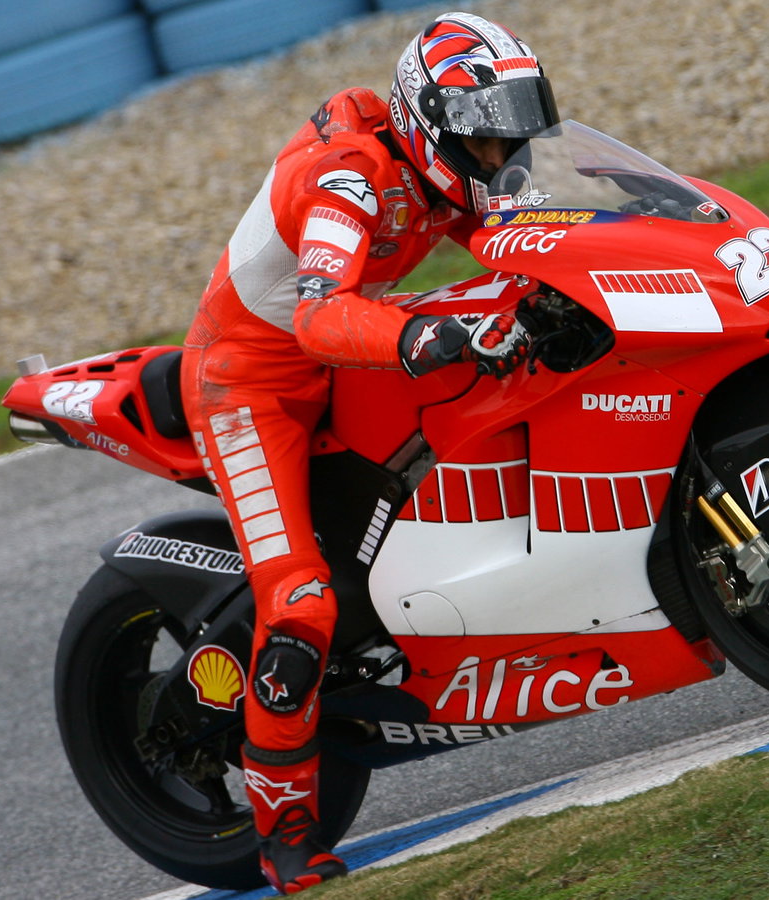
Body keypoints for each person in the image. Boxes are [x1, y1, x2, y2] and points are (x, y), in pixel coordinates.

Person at [179, 11, 557, 893]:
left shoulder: (447, 173)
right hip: (250, 387)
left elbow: (529, 241)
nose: (505, 157)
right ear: (434, 125)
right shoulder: (350, 179)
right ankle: (285, 829)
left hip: (336, 366)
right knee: (303, 606)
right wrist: (423, 335)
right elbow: (317, 313)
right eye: (489, 137)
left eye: (513, 135)